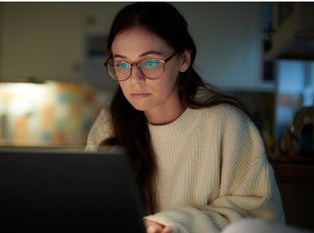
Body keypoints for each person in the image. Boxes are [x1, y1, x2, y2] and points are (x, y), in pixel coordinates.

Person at [85, 2, 285, 233]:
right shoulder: (108, 125)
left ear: (183, 60)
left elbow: (262, 218)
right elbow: (91, 208)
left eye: (150, 62)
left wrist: (173, 224)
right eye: (121, 64)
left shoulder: (227, 124)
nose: (134, 79)